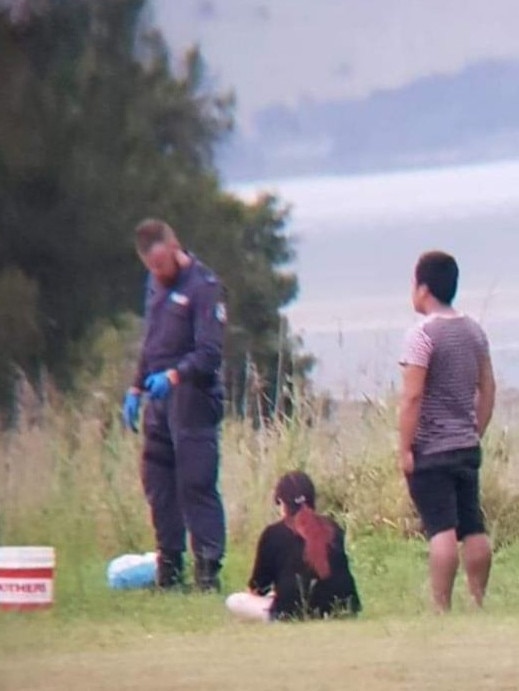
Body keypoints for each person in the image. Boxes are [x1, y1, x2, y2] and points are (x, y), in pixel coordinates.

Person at [122, 218, 226, 591]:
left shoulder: (204, 287)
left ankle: (208, 571)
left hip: (193, 397)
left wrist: (175, 377)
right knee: (158, 481)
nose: (159, 273)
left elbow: (210, 352)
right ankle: (169, 568)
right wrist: (136, 387)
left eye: (163, 265)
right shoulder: (155, 285)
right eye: (152, 268)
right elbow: (151, 342)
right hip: (158, 400)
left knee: (196, 482)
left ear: (175, 247)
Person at [399, 250, 496, 612]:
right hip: (466, 444)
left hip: (432, 447)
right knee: (473, 526)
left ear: (423, 288)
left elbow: (412, 396)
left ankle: (441, 606)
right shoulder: (474, 330)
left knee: (442, 529)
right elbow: (488, 388)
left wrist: (405, 447)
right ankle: (478, 600)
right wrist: (476, 428)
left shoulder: (422, 336)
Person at [226, 471, 361, 621]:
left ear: (282, 503)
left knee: (234, 601)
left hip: (290, 612)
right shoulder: (333, 527)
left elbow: (258, 588)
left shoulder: (273, 533)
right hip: (343, 608)